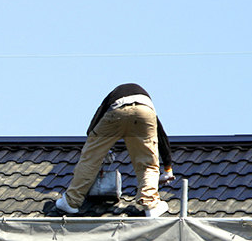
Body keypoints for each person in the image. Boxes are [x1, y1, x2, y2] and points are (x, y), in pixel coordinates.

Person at [55, 83, 174, 217]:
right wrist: (168, 169)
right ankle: (151, 205)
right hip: (144, 112)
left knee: (90, 160)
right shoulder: (144, 102)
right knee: (148, 163)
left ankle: (71, 202)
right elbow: (161, 136)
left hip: (116, 109)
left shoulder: (111, 98)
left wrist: (98, 147)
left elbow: (94, 125)